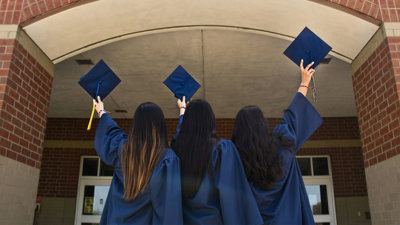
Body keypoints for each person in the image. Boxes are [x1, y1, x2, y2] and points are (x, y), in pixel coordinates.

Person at [232, 60, 322, 225]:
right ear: (263, 125)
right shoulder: (282, 147)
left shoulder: (234, 161)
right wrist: (304, 82)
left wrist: (184, 112)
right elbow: (293, 116)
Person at [172, 97, 263, 225]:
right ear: (211, 121)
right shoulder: (222, 150)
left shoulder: (177, 151)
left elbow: (179, 135)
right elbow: (232, 198)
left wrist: (183, 111)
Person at [93, 97, 183, 225]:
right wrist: (182, 111)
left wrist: (101, 111)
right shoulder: (166, 160)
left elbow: (111, 132)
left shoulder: (122, 150)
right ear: (161, 126)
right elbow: (169, 210)